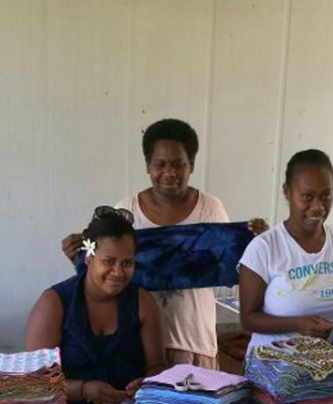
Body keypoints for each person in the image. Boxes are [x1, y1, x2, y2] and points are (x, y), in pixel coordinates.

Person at [61, 118, 269, 369]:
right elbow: (106, 279)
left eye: (178, 164)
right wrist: (82, 257)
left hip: (194, 340)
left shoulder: (210, 208)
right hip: (133, 342)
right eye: (160, 164)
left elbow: (230, 271)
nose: (169, 173)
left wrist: (256, 244)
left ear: (191, 165)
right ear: (148, 166)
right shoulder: (125, 211)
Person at [28, 206, 166, 404]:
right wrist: (83, 390)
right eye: (109, 261)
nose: (118, 272)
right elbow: (35, 382)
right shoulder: (54, 304)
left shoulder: (142, 303)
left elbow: (157, 366)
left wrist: (148, 383)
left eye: (127, 263)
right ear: (89, 258)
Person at [237, 149, 333, 351]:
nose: (318, 207)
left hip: (332, 367)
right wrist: (296, 324)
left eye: (326, 195)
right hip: (275, 368)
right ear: (287, 192)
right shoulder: (264, 247)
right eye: (307, 197)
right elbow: (248, 319)